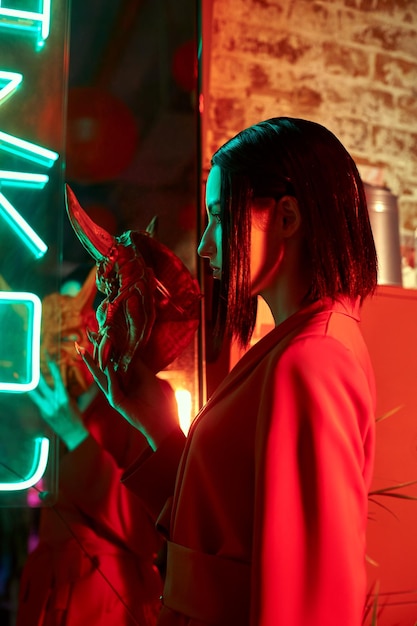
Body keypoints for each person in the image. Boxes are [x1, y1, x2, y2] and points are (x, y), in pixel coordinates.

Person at [79, 117, 378, 626]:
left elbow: (312, 590)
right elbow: (230, 521)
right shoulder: (293, 345)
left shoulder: (312, 358)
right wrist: (152, 418)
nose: (205, 244)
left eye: (221, 216)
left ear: (287, 216)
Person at [16, 272, 164, 626]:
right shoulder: (60, 401)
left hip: (105, 602)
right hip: (54, 597)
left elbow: (145, 530)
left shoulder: (138, 400)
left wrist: (76, 437)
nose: (58, 345)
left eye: (75, 324)